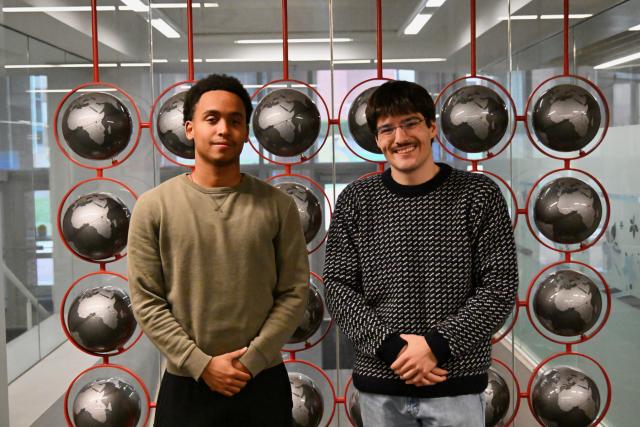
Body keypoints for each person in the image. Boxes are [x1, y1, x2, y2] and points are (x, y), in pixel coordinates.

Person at [323, 80, 518, 426]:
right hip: (381, 384)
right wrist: (393, 349)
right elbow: (338, 288)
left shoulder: (478, 195)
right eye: (387, 129)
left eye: (410, 123)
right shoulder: (356, 200)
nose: (399, 138)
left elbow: (499, 288)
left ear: (431, 127)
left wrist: (436, 346)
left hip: (454, 383)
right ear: (377, 139)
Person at [127, 74, 309, 427]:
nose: (224, 129)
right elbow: (146, 299)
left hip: (262, 381)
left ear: (245, 131)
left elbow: (293, 292)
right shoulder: (154, 207)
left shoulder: (278, 206)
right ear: (190, 128)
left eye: (235, 120)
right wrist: (201, 364)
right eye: (212, 119)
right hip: (186, 383)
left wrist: (251, 361)